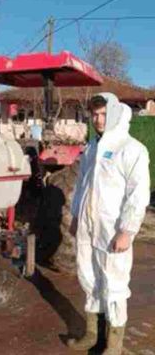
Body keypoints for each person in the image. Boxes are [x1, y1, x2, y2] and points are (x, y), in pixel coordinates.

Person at [67, 93, 150, 354]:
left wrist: (128, 230)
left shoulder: (131, 148)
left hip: (113, 229)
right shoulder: (91, 148)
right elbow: (82, 186)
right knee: (89, 278)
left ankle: (114, 345)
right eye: (95, 114)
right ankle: (93, 334)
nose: (98, 119)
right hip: (88, 229)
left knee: (114, 284)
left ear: (114, 113)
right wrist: (76, 217)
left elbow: (138, 194)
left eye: (103, 114)